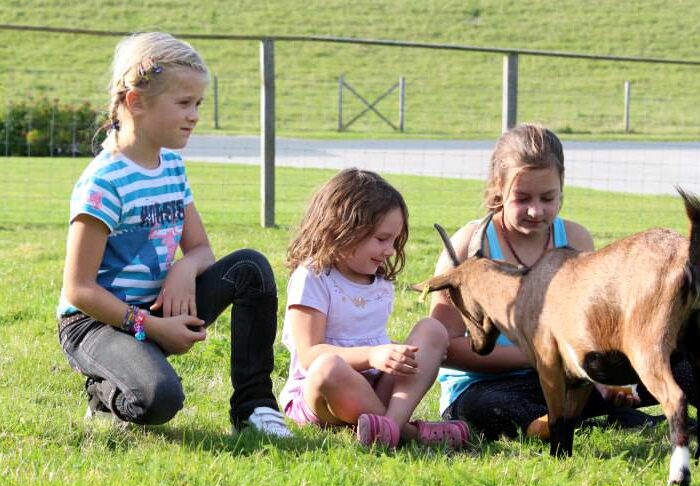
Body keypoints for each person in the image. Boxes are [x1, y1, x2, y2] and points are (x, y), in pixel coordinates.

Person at [57, 32, 291, 438]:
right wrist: (149, 326)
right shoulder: (103, 182)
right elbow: (78, 290)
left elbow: (200, 248)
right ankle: (103, 393)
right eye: (184, 103)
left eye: (197, 104)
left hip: (155, 309)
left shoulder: (172, 168)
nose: (194, 115)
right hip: (94, 323)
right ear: (136, 102)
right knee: (159, 400)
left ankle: (254, 407)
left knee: (250, 267)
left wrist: (184, 268)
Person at [430, 123, 691, 440]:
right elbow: (446, 347)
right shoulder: (469, 247)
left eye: (547, 197)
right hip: (494, 384)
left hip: (574, 378)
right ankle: (577, 421)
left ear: (562, 186)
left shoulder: (576, 238)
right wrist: (548, 355)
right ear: (498, 188)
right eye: (522, 198)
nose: (535, 210)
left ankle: (590, 415)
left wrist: (608, 378)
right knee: (485, 407)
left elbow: (595, 328)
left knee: (682, 365)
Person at [279, 168, 470, 449]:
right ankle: (407, 433)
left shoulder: (379, 282)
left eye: (394, 240)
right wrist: (372, 355)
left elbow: (368, 338)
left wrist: (393, 353)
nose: (390, 250)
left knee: (431, 330)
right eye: (382, 239)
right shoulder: (314, 277)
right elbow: (310, 356)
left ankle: (388, 427)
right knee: (329, 367)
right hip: (323, 394)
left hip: (373, 388)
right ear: (342, 229)